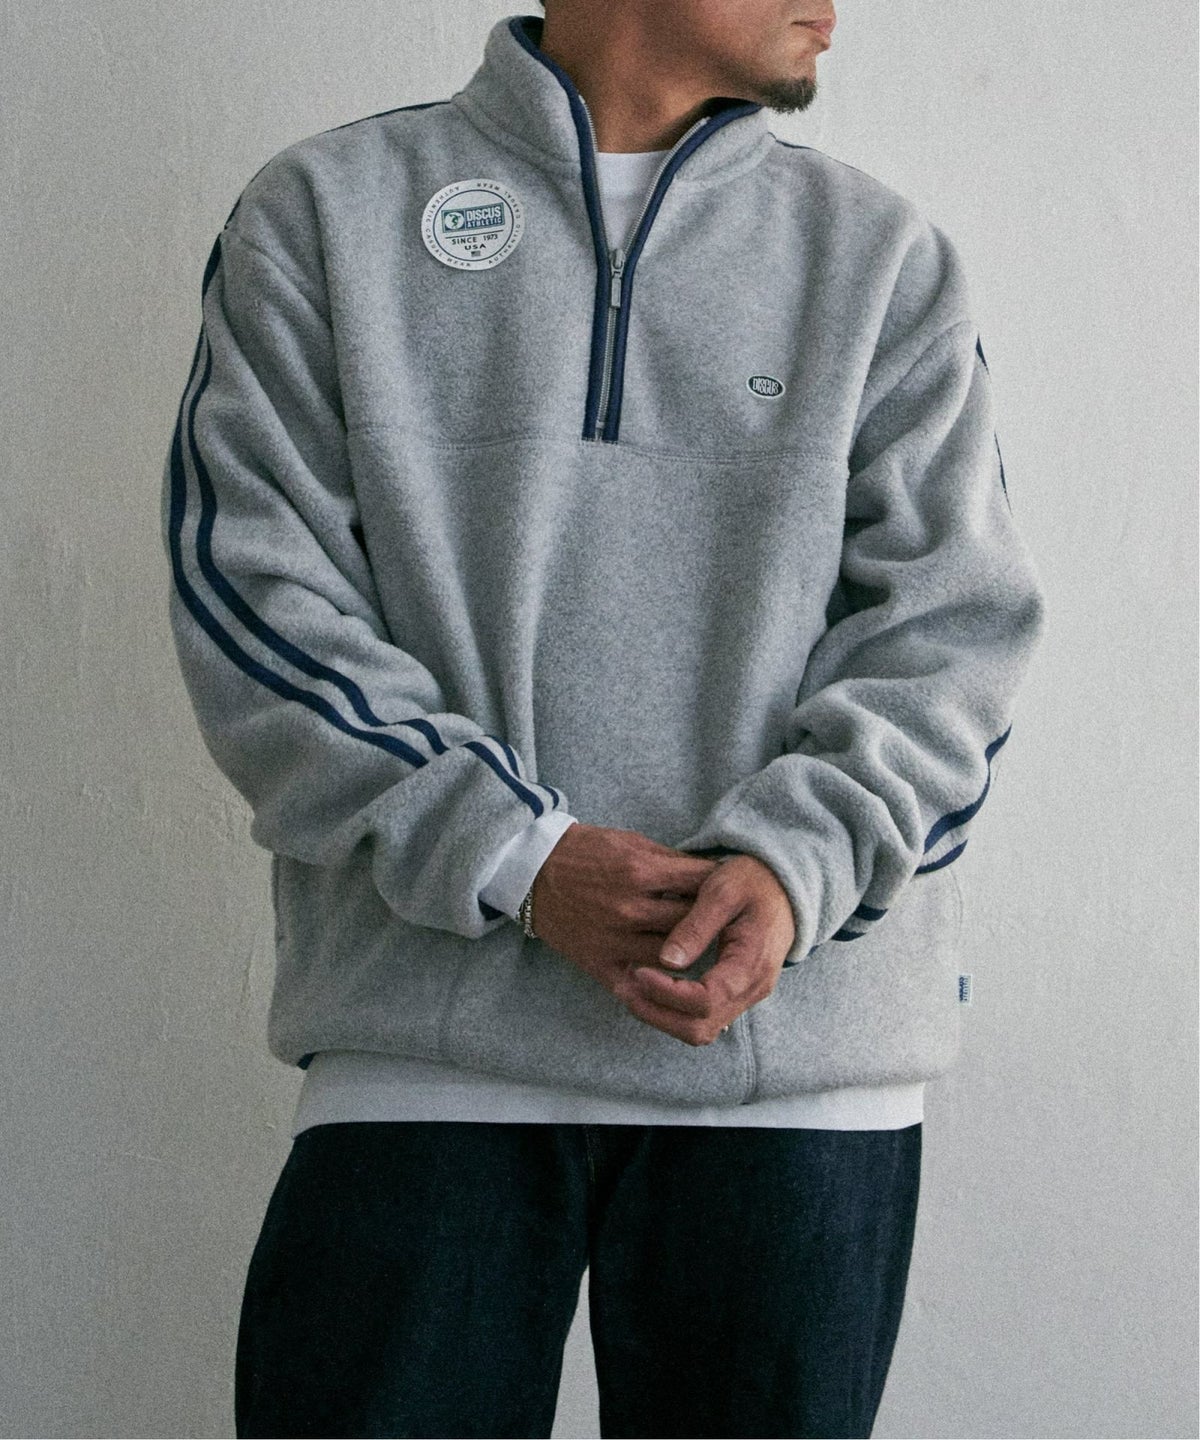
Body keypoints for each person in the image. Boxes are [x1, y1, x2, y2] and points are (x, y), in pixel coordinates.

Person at [163, 3, 1045, 1436]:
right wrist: (518, 858)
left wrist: (794, 868)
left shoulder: (879, 256)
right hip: (427, 1056)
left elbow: (955, 633)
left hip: (798, 1073)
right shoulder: (326, 214)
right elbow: (254, 602)